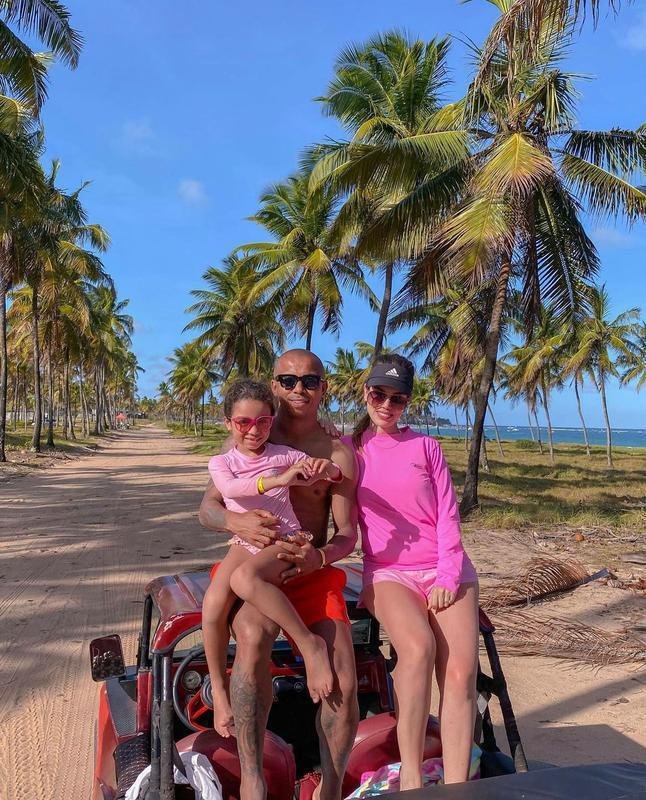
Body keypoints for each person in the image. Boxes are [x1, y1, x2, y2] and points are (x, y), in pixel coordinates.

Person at [199, 349, 359, 800]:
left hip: (308, 565)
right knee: (251, 637)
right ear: (274, 386)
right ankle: (253, 776)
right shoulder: (250, 440)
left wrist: (320, 557)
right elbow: (208, 507)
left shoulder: (336, 451)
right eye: (288, 381)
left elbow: (348, 533)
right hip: (258, 565)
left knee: (344, 678)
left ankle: (330, 788)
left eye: (309, 381)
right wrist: (236, 522)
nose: (298, 389)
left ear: (323, 388)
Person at [343, 353, 479, 790]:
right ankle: (412, 780)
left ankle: (457, 786)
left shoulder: (426, 447)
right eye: (378, 394)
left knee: (460, 674)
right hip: (389, 572)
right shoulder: (349, 449)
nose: (386, 405)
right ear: (365, 393)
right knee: (418, 649)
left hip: (445, 566)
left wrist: (447, 576)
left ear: (407, 402)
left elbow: (448, 517)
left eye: (397, 399)